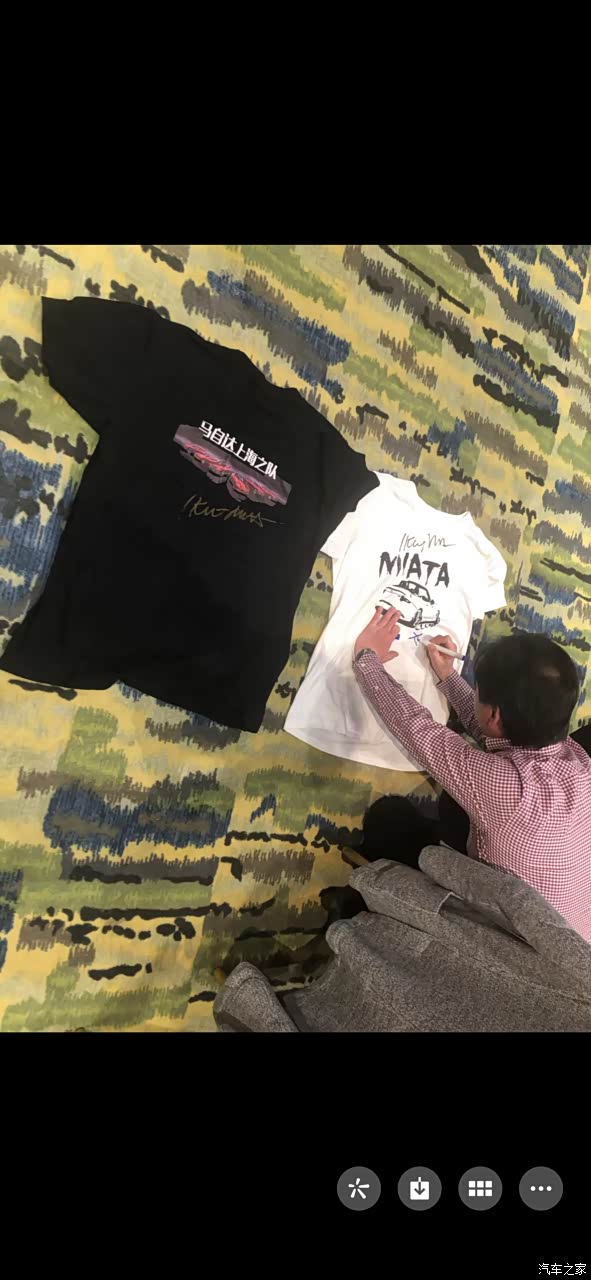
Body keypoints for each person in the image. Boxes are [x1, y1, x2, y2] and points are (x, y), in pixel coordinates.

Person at [351, 607, 591, 943]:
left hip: (510, 944)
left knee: (387, 821)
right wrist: (448, 677)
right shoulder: (578, 761)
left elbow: (417, 730)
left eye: (477, 691)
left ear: (493, 713)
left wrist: (366, 658)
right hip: (575, 937)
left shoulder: (508, 788)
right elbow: (496, 731)